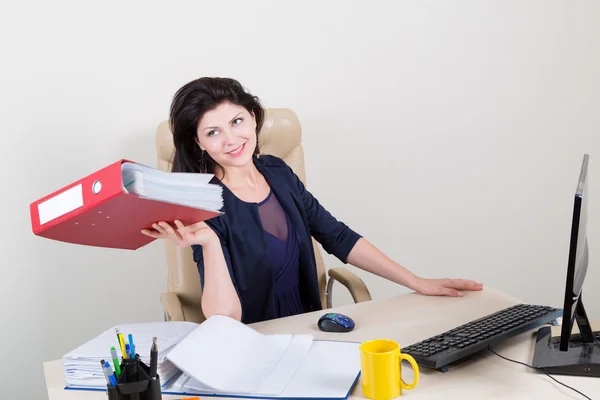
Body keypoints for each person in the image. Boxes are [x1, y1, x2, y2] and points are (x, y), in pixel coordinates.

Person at [141, 77, 483, 324]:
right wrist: (211, 243)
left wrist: (417, 282)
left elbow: (338, 236)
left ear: (253, 117)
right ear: (199, 143)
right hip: (256, 338)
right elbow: (224, 318)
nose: (231, 139)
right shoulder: (205, 204)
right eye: (213, 132)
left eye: (237, 121)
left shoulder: (278, 171)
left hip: (311, 324)